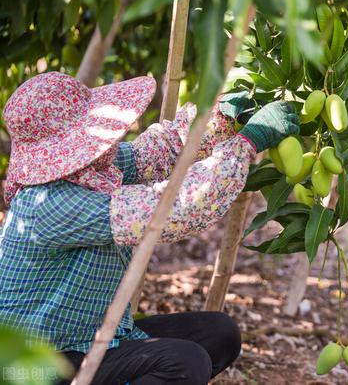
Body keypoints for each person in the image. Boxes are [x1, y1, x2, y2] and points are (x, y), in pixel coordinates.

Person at [0, 72, 299, 384]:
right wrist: (246, 144)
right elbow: (175, 209)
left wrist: (219, 118)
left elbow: (154, 153)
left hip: (86, 338)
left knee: (219, 335)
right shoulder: (50, 204)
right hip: (38, 366)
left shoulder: (90, 169)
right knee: (185, 363)